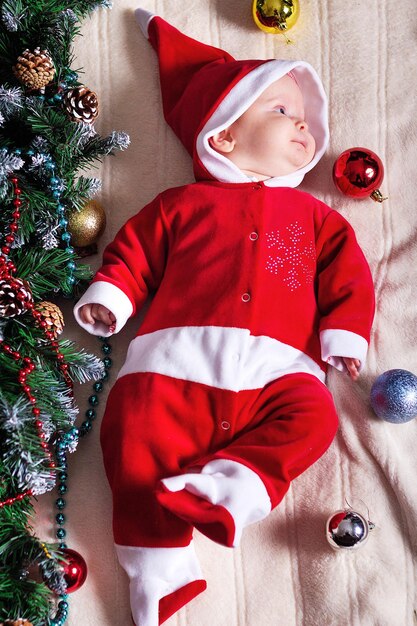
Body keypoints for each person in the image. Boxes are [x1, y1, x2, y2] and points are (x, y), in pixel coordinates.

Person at [74, 9, 375, 626]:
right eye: (280, 111)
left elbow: (348, 273)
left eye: (301, 115)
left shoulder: (315, 220)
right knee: (131, 441)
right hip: (171, 366)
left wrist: (344, 330)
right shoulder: (183, 204)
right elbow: (135, 250)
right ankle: (156, 577)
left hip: (274, 372)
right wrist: (113, 294)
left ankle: (231, 489)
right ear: (222, 137)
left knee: (315, 415)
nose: (301, 125)